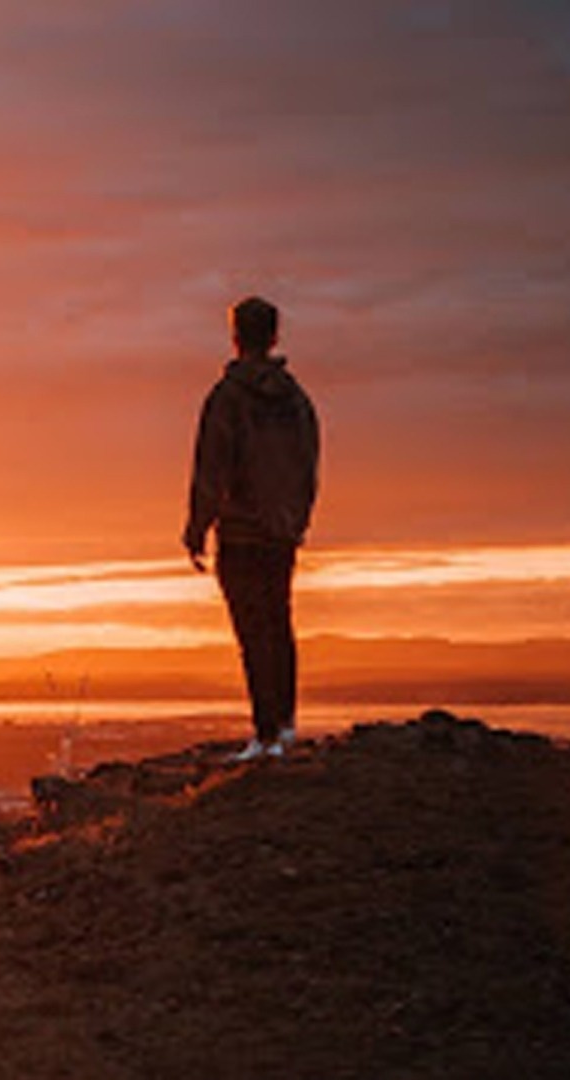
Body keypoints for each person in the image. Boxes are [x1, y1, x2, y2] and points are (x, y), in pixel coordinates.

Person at [182, 296, 320, 762]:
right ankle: (284, 728)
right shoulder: (297, 400)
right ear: (275, 336)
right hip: (282, 532)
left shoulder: (227, 398)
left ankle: (264, 736)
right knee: (279, 624)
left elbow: (211, 468)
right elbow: (309, 465)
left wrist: (197, 528)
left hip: (241, 532)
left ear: (235, 336)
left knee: (252, 632)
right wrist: (297, 519)